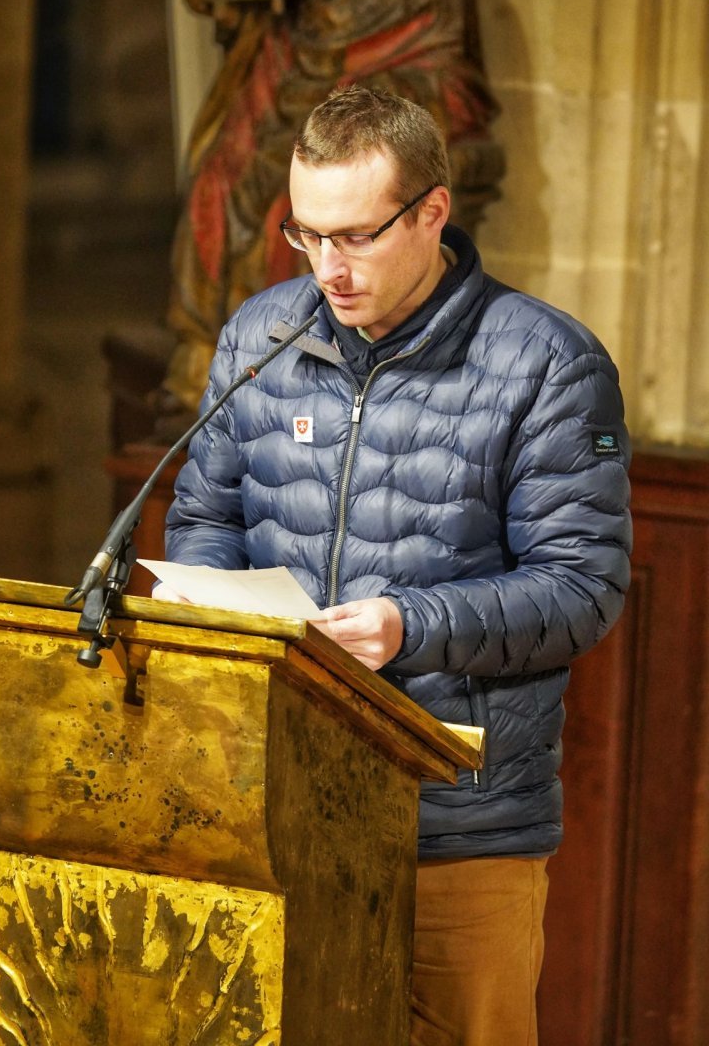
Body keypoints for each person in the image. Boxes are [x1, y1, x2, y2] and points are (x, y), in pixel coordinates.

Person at [164, 85, 632, 1045]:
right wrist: (219, 597)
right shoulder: (263, 336)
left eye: (356, 236)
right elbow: (205, 513)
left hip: (455, 830)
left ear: (431, 213)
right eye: (307, 236)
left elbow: (584, 589)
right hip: (274, 804)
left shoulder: (545, 362)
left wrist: (410, 624)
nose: (328, 268)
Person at [161, 0, 502, 423]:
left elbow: (447, 64)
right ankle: (206, 357)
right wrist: (234, 11)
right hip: (297, 106)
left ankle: (307, 376)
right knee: (220, 177)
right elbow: (284, 25)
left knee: (306, 215)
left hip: (365, 121)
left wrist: (364, 82)